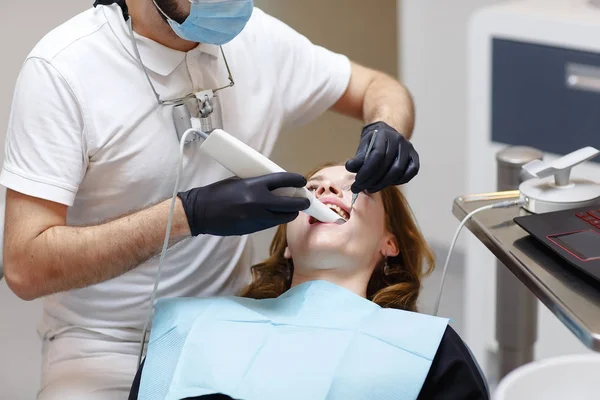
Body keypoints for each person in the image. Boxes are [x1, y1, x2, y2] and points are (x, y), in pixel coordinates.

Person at [1, 0, 420, 398]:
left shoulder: (257, 39)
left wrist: (388, 127)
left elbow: (377, 87)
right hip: (103, 344)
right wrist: (187, 214)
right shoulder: (63, 70)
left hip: (228, 327)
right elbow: (24, 265)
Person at [128, 163, 490, 400]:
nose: (325, 191)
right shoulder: (188, 327)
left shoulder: (427, 349)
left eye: (355, 187)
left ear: (389, 244)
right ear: (286, 245)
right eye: (312, 187)